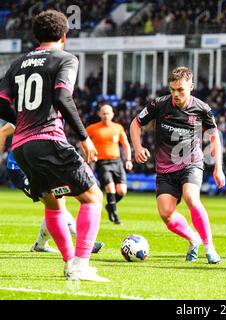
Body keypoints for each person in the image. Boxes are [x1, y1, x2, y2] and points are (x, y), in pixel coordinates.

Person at [0, 10, 108, 281]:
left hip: (21, 147)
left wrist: (21, 121)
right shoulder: (65, 58)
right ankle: (81, 264)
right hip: (48, 139)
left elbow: (1, 102)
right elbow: (62, 96)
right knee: (93, 197)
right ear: (64, 36)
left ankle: (71, 262)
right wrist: (84, 137)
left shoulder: (17, 63)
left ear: (36, 36)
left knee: (54, 205)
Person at [130, 66, 225, 264]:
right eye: (172, 89)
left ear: (191, 86)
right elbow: (135, 123)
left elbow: (214, 137)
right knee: (166, 214)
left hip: (191, 163)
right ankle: (193, 239)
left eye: (180, 89)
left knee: (191, 197)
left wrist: (218, 167)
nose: (176, 94)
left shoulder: (202, 109)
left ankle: (210, 248)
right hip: (165, 169)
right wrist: (137, 147)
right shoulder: (159, 104)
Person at [0, 122, 104, 254]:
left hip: (40, 165)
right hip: (20, 170)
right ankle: (82, 241)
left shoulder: (53, 116)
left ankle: (40, 245)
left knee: (54, 203)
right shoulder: (28, 117)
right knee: (56, 203)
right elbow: (3, 131)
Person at [86, 104, 133, 224]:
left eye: (108, 113)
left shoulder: (118, 128)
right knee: (110, 188)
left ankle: (110, 206)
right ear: (99, 114)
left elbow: (126, 144)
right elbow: (83, 142)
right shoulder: (92, 128)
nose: (106, 116)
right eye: (104, 113)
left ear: (112, 114)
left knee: (122, 191)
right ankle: (115, 216)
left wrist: (128, 160)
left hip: (117, 162)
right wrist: (90, 154)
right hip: (102, 163)